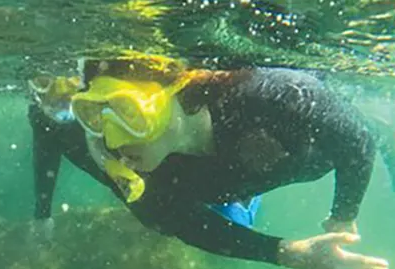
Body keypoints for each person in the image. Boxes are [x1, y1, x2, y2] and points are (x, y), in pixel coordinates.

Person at [29, 55, 395, 269]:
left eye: (128, 112)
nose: (110, 139)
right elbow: (191, 227)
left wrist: (343, 214)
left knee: (359, 127)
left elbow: (354, 142)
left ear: (169, 99)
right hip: (227, 183)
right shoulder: (136, 180)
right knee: (226, 214)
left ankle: (390, 128)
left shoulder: (269, 95)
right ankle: (242, 200)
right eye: (94, 113)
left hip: (310, 156)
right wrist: (290, 254)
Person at [27, 72, 263, 238]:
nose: (56, 95)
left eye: (67, 82)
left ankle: (246, 195)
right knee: (160, 223)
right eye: (43, 82)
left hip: (167, 170)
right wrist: (43, 213)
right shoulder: (41, 116)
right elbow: (45, 151)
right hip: (128, 182)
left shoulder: (107, 100)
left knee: (232, 225)